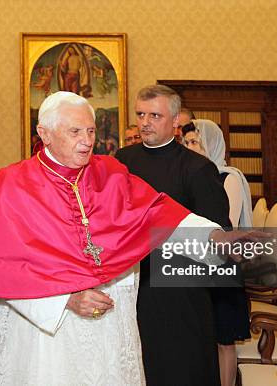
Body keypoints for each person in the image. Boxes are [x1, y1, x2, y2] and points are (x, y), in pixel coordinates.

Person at [0, 91, 262, 385]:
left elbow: (157, 214)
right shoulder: (12, 183)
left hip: (108, 325)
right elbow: (3, 267)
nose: (87, 140)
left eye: (91, 130)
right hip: (49, 331)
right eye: (75, 131)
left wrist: (213, 236)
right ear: (45, 133)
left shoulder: (110, 172)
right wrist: (63, 300)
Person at [115, 84, 232, 385]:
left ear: (176, 119)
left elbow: (218, 238)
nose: (145, 122)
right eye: (141, 114)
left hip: (181, 294)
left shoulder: (197, 168)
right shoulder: (122, 161)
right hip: (130, 285)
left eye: (155, 115)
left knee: (182, 369)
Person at [183, 120, 252, 386]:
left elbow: (228, 224)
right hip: (196, 263)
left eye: (194, 142)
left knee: (224, 338)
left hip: (222, 266)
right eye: (186, 143)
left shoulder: (228, 177)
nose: (189, 148)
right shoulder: (191, 175)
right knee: (201, 335)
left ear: (211, 144)